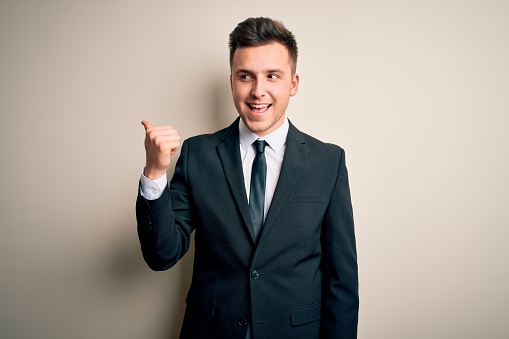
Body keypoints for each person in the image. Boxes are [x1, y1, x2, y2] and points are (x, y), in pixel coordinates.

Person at [136, 17, 358, 339]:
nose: (258, 91)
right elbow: (162, 255)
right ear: (231, 81)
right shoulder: (198, 154)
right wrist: (155, 172)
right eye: (246, 76)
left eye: (272, 76)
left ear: (293, 84)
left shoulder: (328, 161)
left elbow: (342, 281)